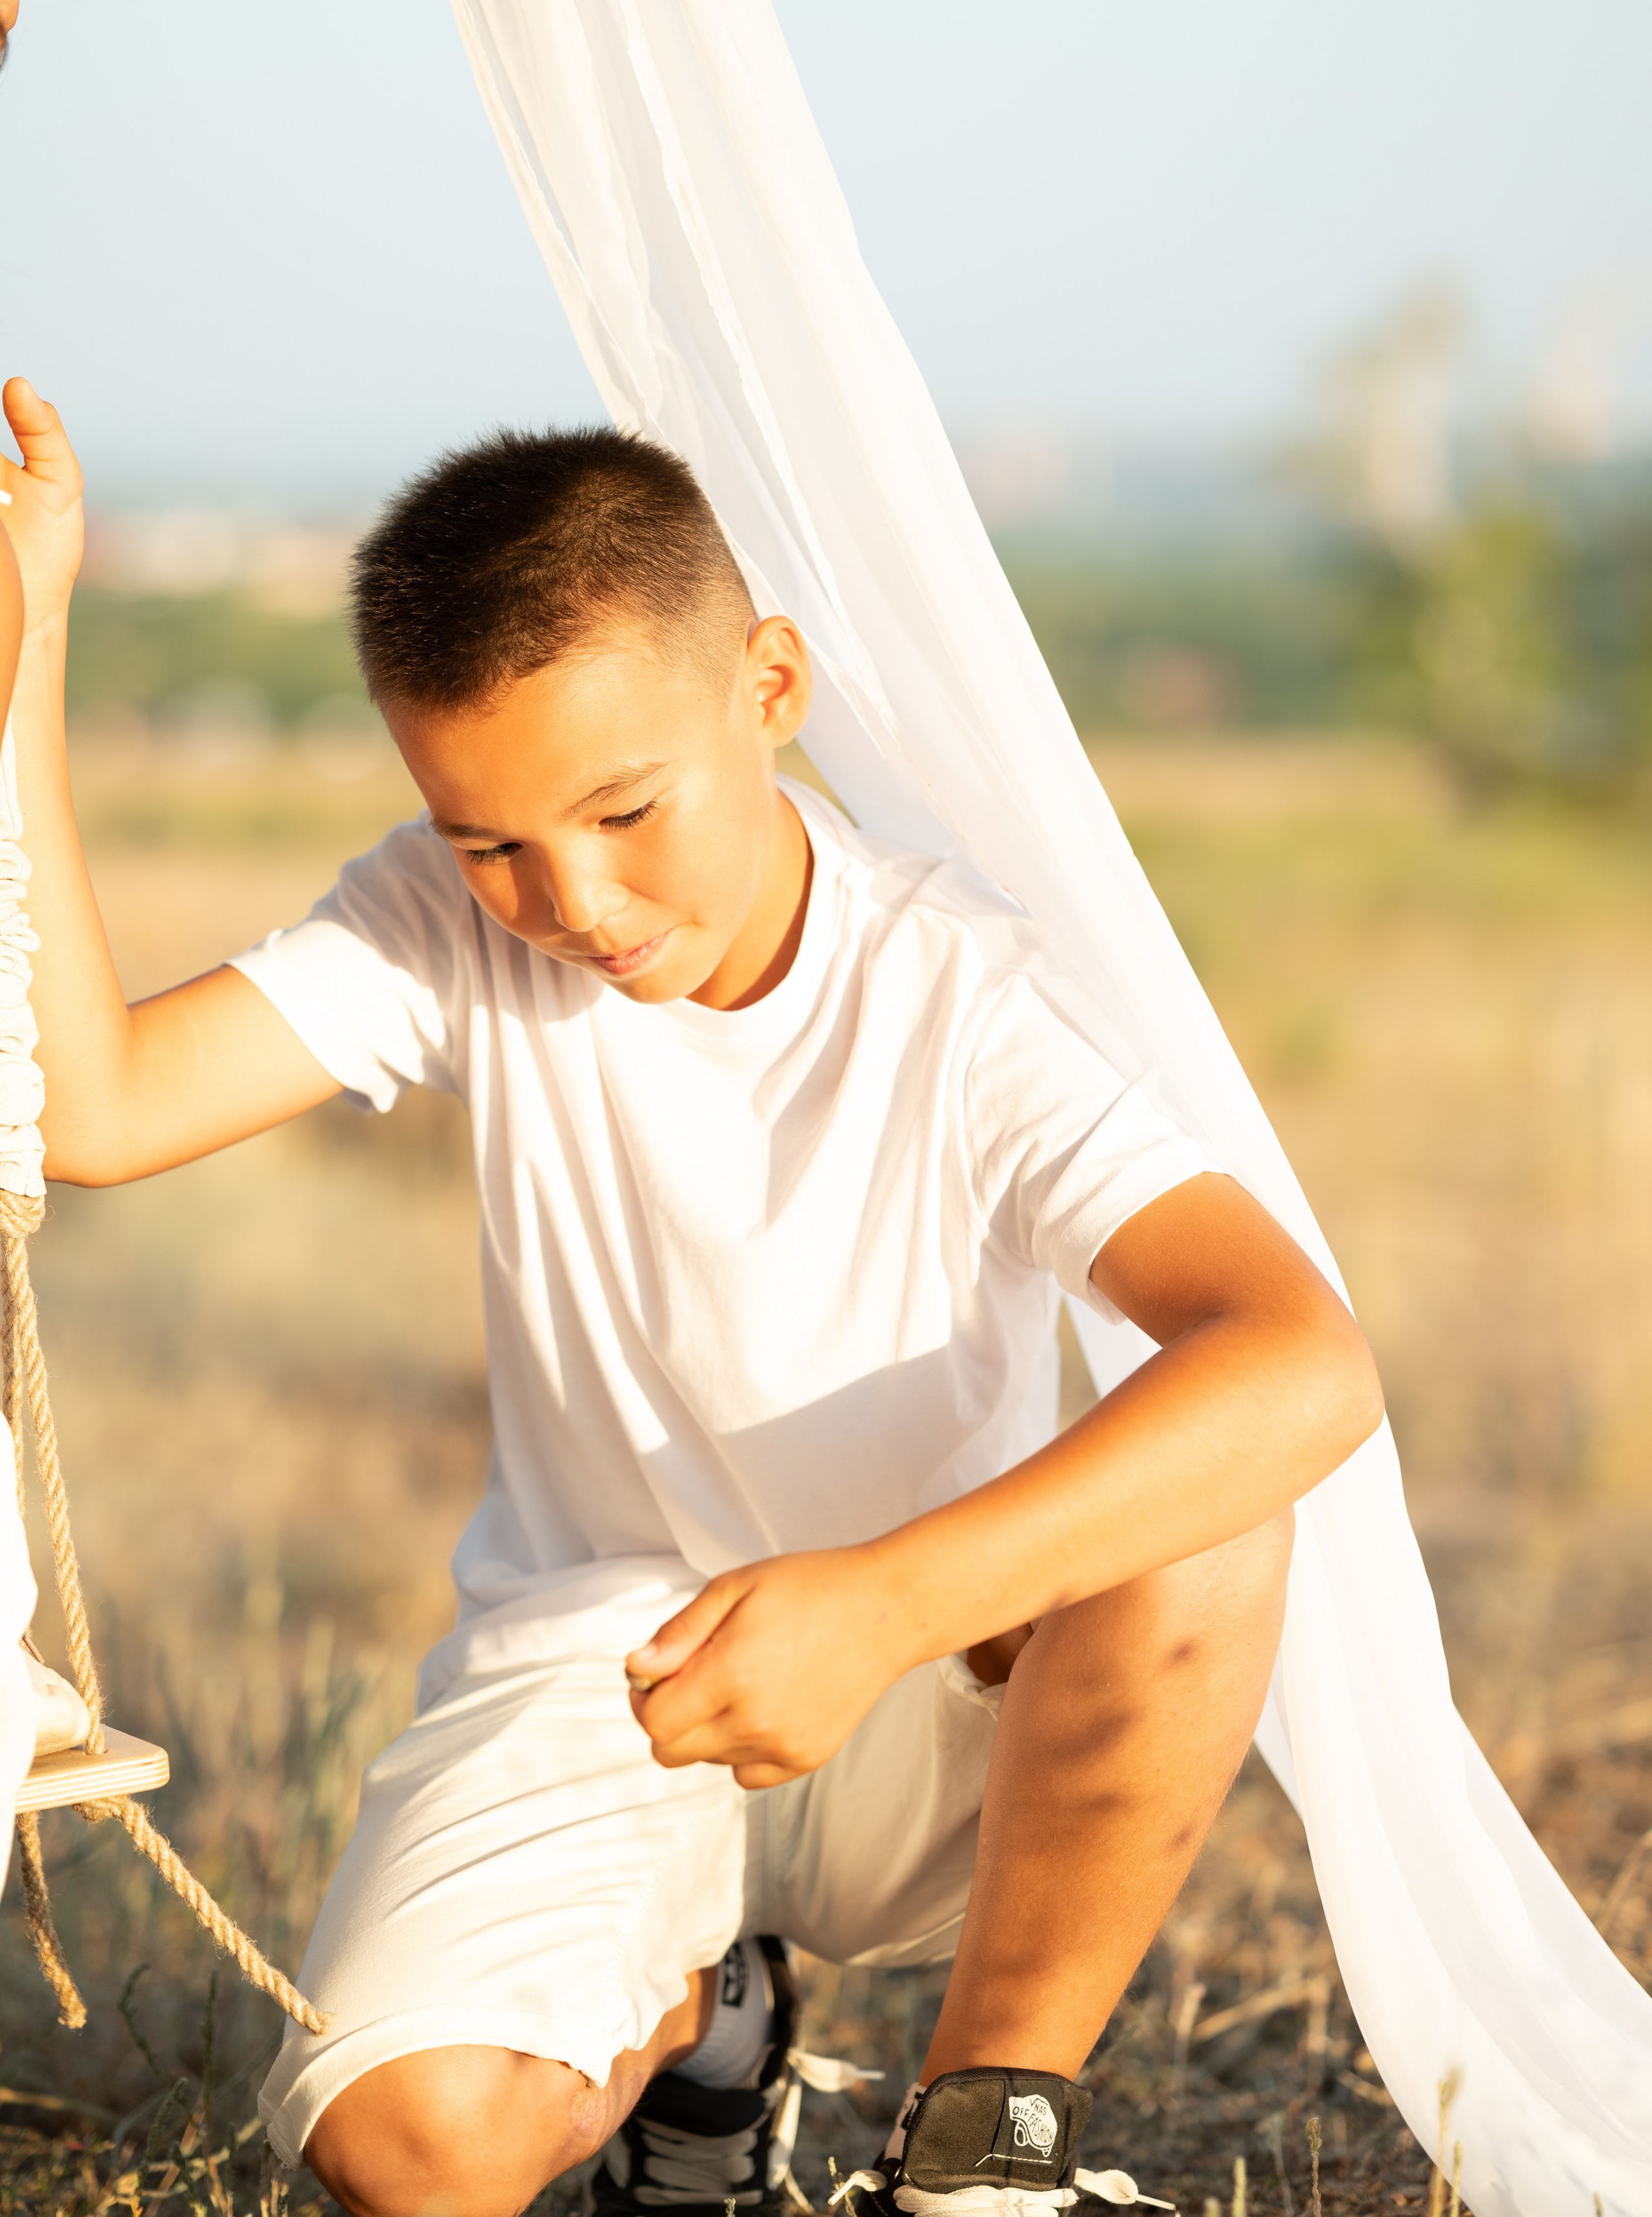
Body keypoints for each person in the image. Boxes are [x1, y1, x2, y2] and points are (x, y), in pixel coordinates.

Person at [0, 381, 1382, 2217]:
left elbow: (1305, 1359)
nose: (570, 897)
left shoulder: (962, 996)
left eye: (625, 808)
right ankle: (706, 2026)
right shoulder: (446, 923)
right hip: (610, 1668)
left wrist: (879, 1603)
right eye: (487, 840)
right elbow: (94, 1109)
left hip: (947, 1690)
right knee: (412, 2150)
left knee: (1209, 1506)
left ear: (771, 685)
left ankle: (983, 2144)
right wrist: (32, 636)